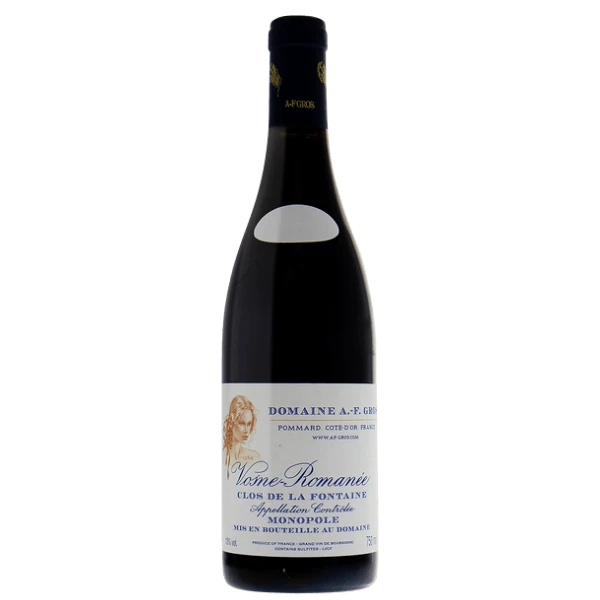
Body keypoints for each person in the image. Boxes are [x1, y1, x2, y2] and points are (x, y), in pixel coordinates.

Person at [223, 395, 260, 479]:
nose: (246, 430)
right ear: (231, 422)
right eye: (241, 423)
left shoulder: (255, 457)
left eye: (249, 424)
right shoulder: (221, 456)